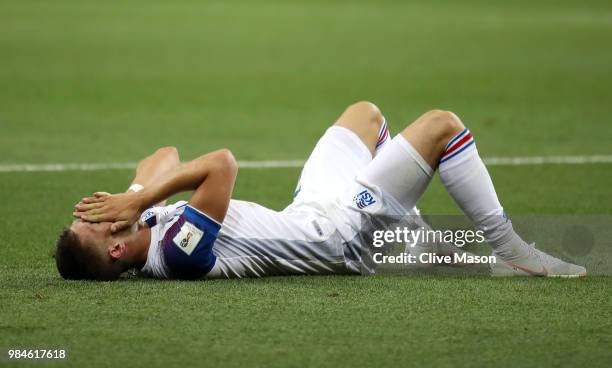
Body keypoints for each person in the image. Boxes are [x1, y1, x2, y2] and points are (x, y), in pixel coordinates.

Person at [59, 102, 586, 280]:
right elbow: (221, 165)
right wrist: (138, 202)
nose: (100, 212)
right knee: (441, 126)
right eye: (95, 223)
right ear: (116, 248)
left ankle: (413, 234)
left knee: (366, 115)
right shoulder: (176, 255)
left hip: (311, 209)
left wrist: (136, 195)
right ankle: (509, 249)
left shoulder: (143, 227)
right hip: (342, 236)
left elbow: (164, 155)